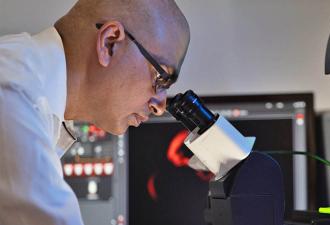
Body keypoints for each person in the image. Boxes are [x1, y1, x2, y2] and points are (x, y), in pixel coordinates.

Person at [0, 0, 190, 224]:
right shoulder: (14, 92)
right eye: (161, 78)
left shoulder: (28, 87)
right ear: (110, 43)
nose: (159, 106)